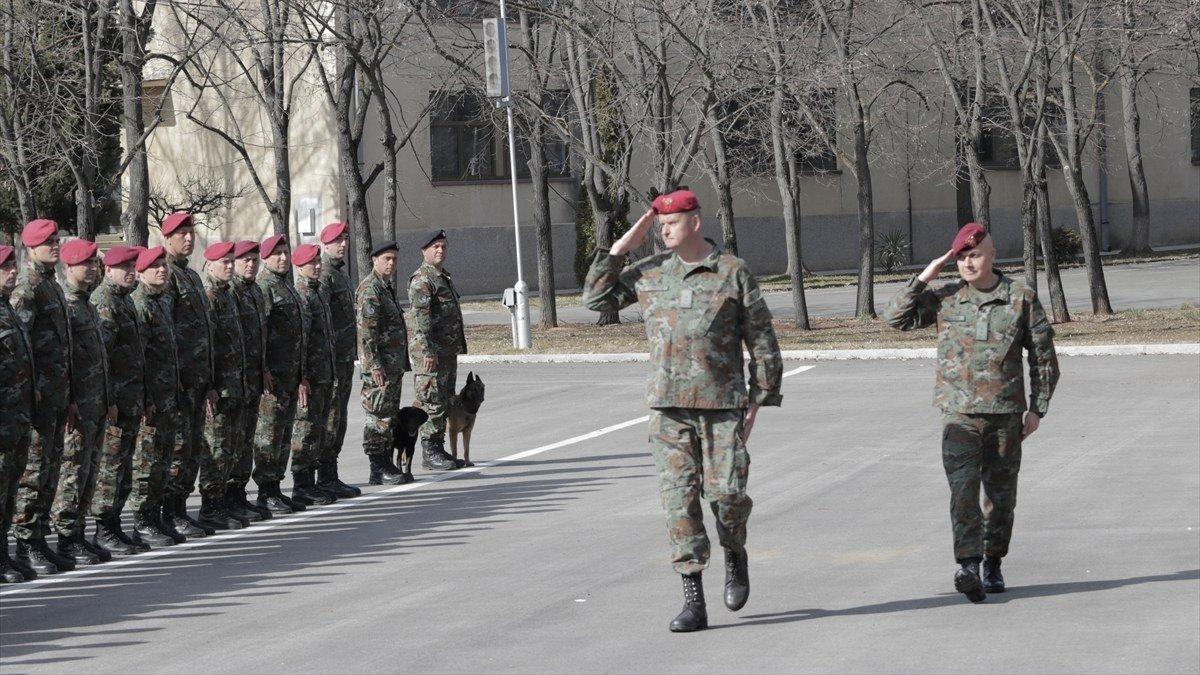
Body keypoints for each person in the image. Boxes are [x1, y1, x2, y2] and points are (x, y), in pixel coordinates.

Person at [581, 188, 783, 633]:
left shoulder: (732, 272)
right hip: (668, 409)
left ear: (695, 220)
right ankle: (694, 600)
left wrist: (759, 399)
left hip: (722, 406)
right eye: (658, 225)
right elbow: (594, 300)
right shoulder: (649, 272)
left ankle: (735, 551)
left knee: (727, 496)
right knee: (679, 504)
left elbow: (762, 337)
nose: (664, 230)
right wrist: (620, 246)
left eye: (671, 223)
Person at [883, 222, 1059, 603]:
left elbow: (1044, 357)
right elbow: (894, 319)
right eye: (961, 257)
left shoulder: (1020, 297)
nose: (967, 263)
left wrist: (1037, 410)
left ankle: (993, 562)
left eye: (974, 255)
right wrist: (925, 275)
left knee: (1000, 499)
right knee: (962, 493)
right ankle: (968, 565)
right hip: (958, 415)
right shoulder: (947, 298)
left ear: (992, 255)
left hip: (1004, 416)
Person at [9, 219, 76, 574]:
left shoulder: (52, 285)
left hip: (55, 397)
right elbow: (22, 347)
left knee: (49, 469)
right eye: (47, 242)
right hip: (35, 400)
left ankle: (37, 538)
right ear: (31, 248)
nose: (54, 245)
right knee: (33, 472)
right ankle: (24, 543)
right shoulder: (28, 287)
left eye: (56, 240)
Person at [51, 238, 114, 566]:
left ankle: (77, 533)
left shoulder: (88, 306)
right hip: (78, 406)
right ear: (67, 268)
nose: (90, 270)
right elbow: (64, 360)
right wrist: (71, 399)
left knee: (89, 469)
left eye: (92, 264)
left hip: (96, 402)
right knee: (73, 469)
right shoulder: (70, 307)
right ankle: (65, 537)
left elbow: (98, 360)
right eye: (84, 265)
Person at [89, 245, 149, 556]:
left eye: (132, 266)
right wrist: (110, 399)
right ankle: (103, 528)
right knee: (110, 467)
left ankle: (114, 525)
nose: (131, 271)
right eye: (124, 267)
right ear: (109, 270)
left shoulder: (125, 302)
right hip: (115, 402)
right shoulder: (105, 302)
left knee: (124, 466)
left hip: (130, 400)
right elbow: (103, 360)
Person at [128, 246, 186, 548]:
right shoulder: (140, 305)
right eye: (155, 266)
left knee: (163, 459)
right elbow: (139, 359)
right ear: (140, 272)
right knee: (146, 462)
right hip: (150, 400)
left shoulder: (161, 301)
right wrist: (146, 397)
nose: (162, 270)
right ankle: (141, 521)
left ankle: (155, 515)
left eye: (164, 265)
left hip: (167, 396)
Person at [161, 212, 215, 539]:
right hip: (180, 381)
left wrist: (207, 379)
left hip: (198, 381)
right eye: (182, 234)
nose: (189, 239)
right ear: (167, 238)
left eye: (191, 233)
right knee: (178, 448)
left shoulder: (192, 276)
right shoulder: (166, 276)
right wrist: (177, 377)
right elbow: (167, 332)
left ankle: (181, 507)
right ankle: (170, 511)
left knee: (194, 446)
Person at [253, 234, 309, 512]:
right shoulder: (265, 287)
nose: (284, 258)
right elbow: (260, 333)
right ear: (266, 257)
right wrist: (263, 369)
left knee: (284, 432)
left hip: (289, 376)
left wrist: (300, 374)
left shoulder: (286, 286)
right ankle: (265, 489)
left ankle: (275, 485)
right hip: (273, 377)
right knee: (269, 433)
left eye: (286, 253)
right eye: (277, 254)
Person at [198, 241, 249, 530]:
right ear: (210, 265)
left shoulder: (228, 296)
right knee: (216, 449)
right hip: (219, 387)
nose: (230, 266)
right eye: (224, 262)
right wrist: (209, 385)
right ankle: (211, 506)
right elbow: (206, 346)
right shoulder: (210, 297)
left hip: (235, 384)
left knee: (231, 446)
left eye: (231, 262)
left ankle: (228, 500)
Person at [408, 230, 465, 471]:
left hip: (446, 351)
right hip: (430, 353)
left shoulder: (443, 277)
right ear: (424, 251)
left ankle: (438, 447)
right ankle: (429, 450)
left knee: (444, 398)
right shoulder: (423, 280)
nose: (440, 250)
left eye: (443, 246)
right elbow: (421, 321)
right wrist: (428, 352)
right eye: (435, 247)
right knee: (431, 400)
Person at [289, 243, 340, 504]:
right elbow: (301, 341)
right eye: (312, 264)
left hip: (324, 374)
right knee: (305, 429)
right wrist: (301, 377)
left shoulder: (318, 292)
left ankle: (319, 480)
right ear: (299, 267)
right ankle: (302, 484)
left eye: (319, 262)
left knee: (320, 428)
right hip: (310, 377)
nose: (318, 266)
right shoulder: (302, 296)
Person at [356, 241, 410, 485]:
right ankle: (378, 466)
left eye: (394, 259)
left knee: (387, 416)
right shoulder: (371, 289)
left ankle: (385, 463)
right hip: (380, 368)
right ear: (374, 259)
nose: (391, 263)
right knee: (378, 416)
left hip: (392, 367)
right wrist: (375, 365)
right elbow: (367, 334)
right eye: (387, 258)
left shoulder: (384, 287)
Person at [229, 240, 274, 517]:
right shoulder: (231, 291)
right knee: (233, 441)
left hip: (253, 377)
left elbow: (261, 335)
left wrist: (264, 368)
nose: (251, 264)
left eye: (254, 259)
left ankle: (240, 494)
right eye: (245, 259)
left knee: (246, 439)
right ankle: (229, 496)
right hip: (236, 377)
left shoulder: (255, 291)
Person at [0, 244, 37, 582]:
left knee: (10, 490)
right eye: (4, 267)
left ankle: (4, 554)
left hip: (17, 420)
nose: (12, 271)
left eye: (13, 265)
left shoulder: (7, 310)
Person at [316, 222, 360, 497]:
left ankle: (331, 473)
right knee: (330, 418)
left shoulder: (340, 274)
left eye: (344, 239)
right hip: (331, 360)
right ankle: (324, 475)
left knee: (339, 417)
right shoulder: (324, 276)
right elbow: (323, 321)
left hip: (344, 358)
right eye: (336, 240)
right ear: (324, 244)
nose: (342, 244)